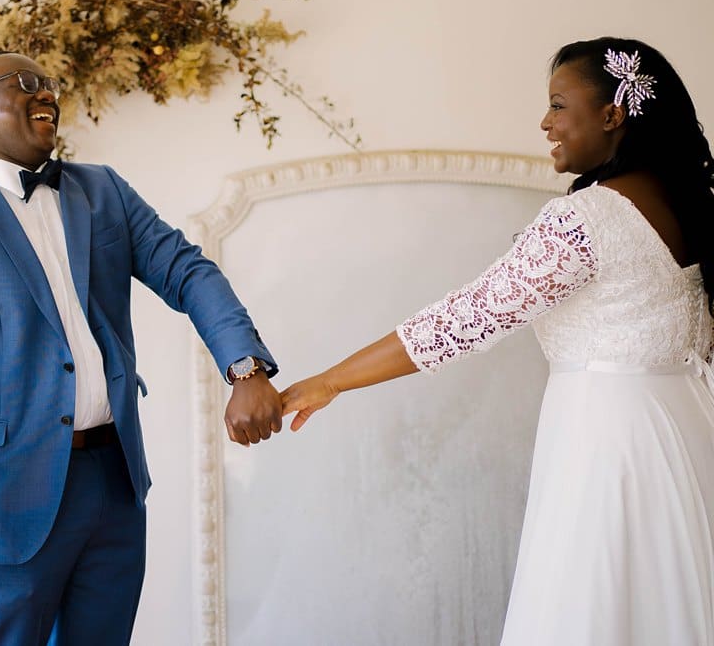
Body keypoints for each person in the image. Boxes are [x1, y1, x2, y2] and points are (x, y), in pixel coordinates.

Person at [280, 37, 714, 645]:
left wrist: (329, 382)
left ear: (614, 113)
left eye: (560, 105)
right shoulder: (692, 205)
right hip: (687, 428)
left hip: (609, 444)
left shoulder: (587, 219)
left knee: (593, 601)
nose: (545, 122)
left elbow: (463, 319)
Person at [0, 50, 282, 645]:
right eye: (25, 84)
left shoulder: (103, 192)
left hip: (112, 482)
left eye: (49, 84)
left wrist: (245, 367)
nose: (46, 94)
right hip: (3, 495)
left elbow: (188, 272)